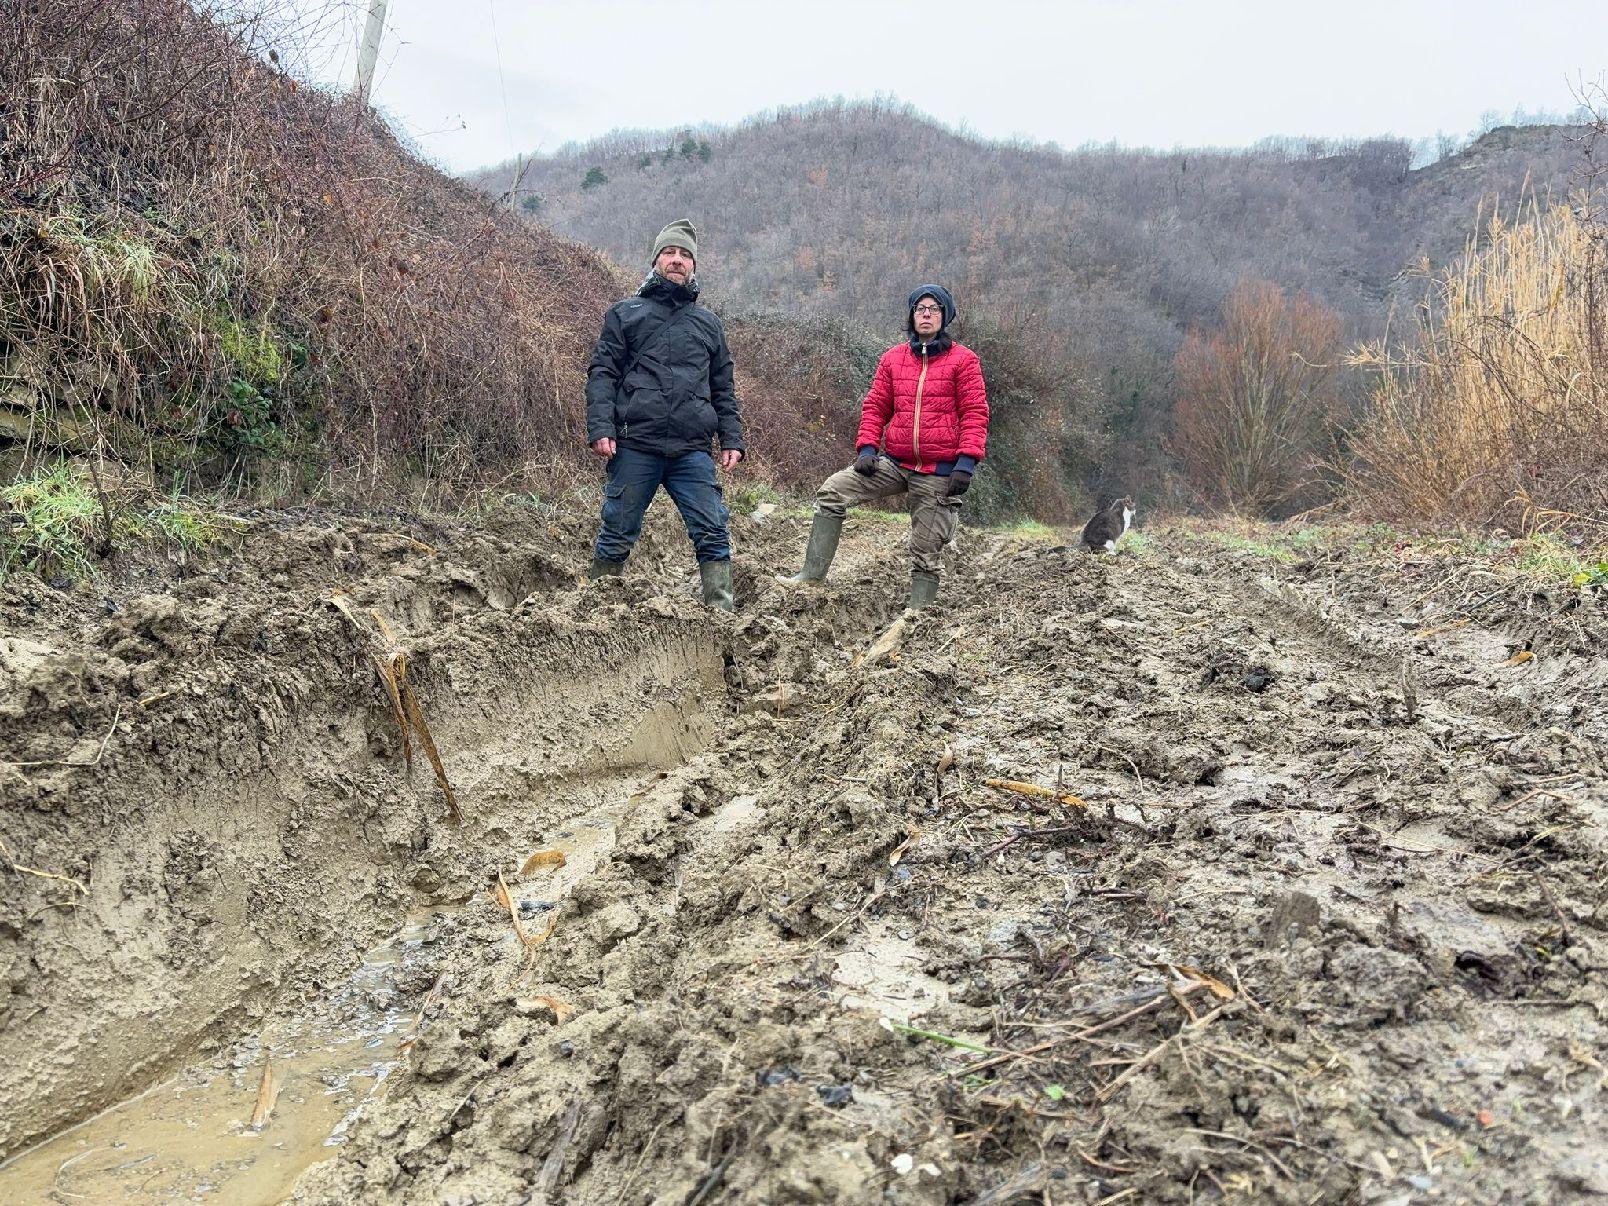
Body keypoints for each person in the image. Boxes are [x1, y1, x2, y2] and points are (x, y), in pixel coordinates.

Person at [783, 284, 989, 608]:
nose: (926, 314)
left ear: (944, 316)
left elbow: (975, 414)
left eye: (934, 308)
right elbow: (875, 407)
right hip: (895, 462)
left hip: (939, 470)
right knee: (833, 491)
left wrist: (966, 463)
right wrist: (867, 448)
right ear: (911, 315)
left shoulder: (964, 361)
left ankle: (918, 616)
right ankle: (810, 575)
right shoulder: (893, 359)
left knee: (926, 549)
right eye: (920, 308)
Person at [584, 219, 745, 611]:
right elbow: (602, 373)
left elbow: (722, 386)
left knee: (712, 531)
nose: (677, 260)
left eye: (685, 255)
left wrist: (732, 438)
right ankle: (590, 614)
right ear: (656, 260)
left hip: (692, 451)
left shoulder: (709, 325)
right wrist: (601, 426)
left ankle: (721, 618)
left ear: (694, 266)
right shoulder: (625, 314)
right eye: (670, 253)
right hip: (636, 444)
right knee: (617, 531)